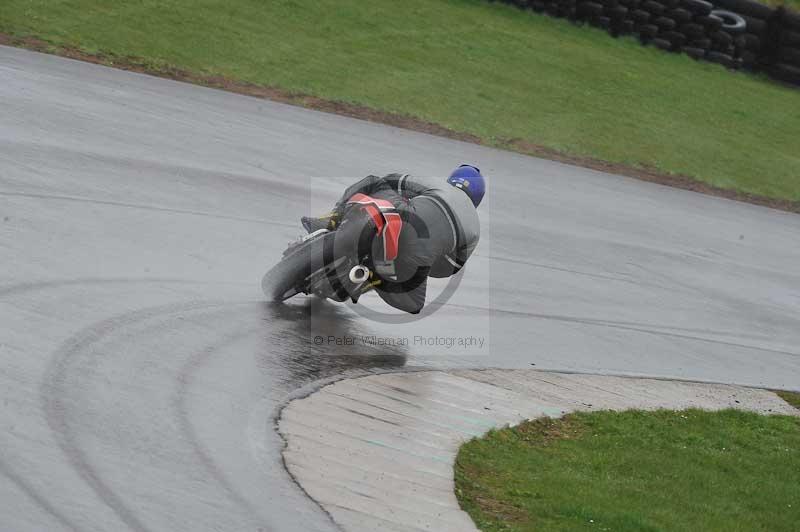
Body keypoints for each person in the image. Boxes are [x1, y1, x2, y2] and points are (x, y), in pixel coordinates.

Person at [301, 165, 484, 314]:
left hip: (402, 220)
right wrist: (422, 263)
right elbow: (449, 268)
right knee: (414, 304)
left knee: (374, 181)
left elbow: (393, 179)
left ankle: (331, 219)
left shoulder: (438, 185)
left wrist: (404, 198)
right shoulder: (475, 229)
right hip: (420, 255)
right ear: (478, 199)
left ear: (452, 180)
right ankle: (374, 277)